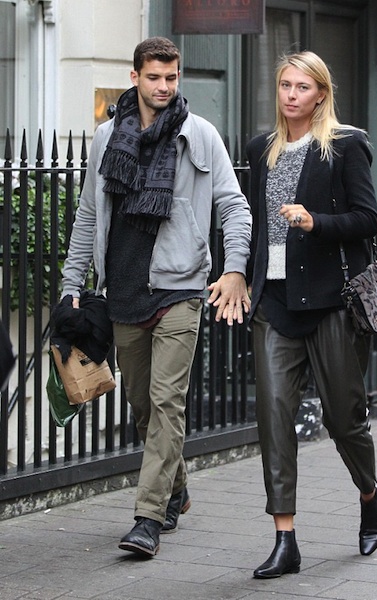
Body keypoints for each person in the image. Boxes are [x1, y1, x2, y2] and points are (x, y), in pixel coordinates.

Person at [61, 36, 251, 558]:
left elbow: (234, 207)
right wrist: (72, 284)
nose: (164, 86)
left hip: (180, 287)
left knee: (167, 402)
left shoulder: (199, 134)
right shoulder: (107, 137)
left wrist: (235, 268)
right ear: (135, 78)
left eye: (171, 77)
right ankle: (176, 488)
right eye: (154, 77)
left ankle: (147, 518)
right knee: (143, 407)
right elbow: (88, 214)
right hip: (123, 291)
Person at [246, 50, 377, 579]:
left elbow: (367, 219)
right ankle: (285, 539)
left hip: (331, 305)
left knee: (344, 420)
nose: (291, 95)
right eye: (285, 85)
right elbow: (254, 225)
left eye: (302, 87)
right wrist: (241, 276)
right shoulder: (260, 150)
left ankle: (369, 495)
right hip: (275, 304)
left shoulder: (345, 146)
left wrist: (314, 222)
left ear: (321, 93)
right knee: (274, 419)